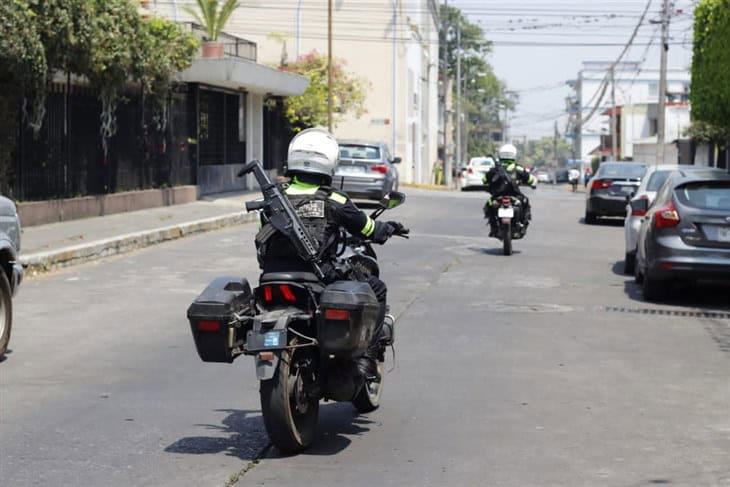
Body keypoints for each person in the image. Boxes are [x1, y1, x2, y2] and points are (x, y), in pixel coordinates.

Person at [257, 128, 406, 380]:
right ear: (329, 163)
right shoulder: (334, 199)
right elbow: (368, 229)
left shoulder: (274, 199)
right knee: (377, 289)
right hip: (318, 275)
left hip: (272, 275)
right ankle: (367, 357)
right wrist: (388, 228)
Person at [483, 144, 537, 237]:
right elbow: (531, 180)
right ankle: (523, 227)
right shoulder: (518, 168)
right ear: (514, 155)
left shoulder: (495, 169)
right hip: (515, 195)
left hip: (497, 196)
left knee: (488, 205)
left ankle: (494, 227)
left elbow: (484, 180)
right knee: (526, 202)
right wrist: (532, 184)